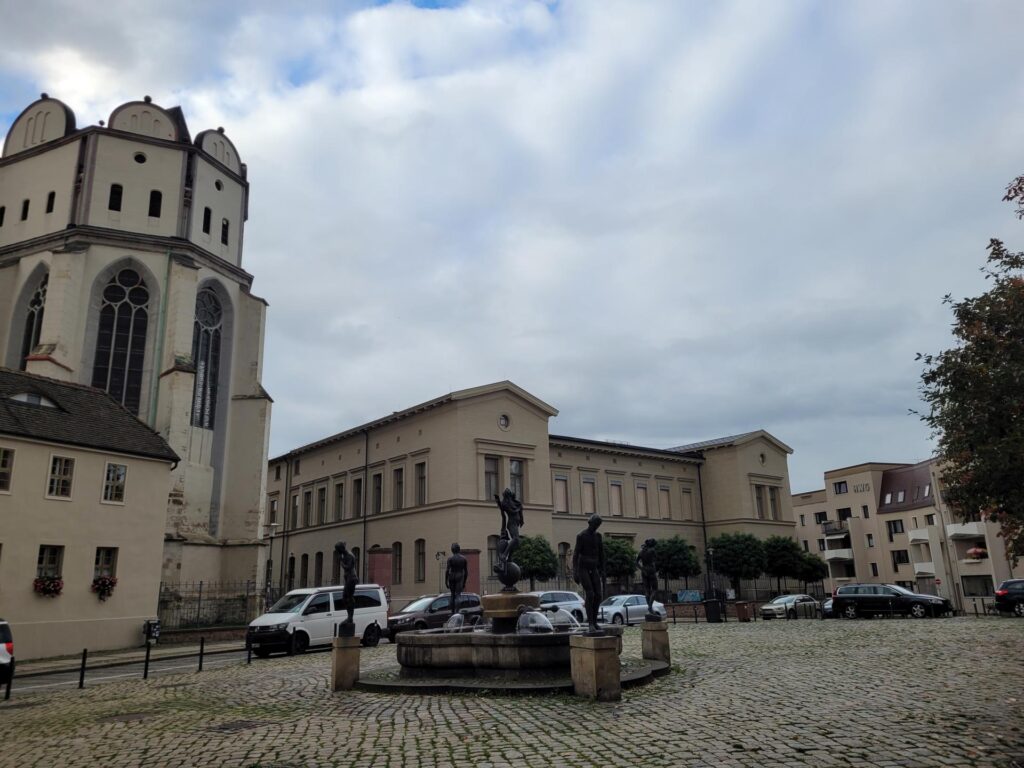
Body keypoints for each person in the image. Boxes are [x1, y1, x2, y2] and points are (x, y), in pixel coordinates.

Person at [572, 514, 605, 632]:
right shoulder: (581, 536)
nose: (596, 526)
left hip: (594, 567)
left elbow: (601, 554)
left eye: (598, 525)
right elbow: (575, 554)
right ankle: (590, 623)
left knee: (598, 595)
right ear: (590, 523)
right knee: (590, 594)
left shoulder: (598, 536)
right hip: (583, 568)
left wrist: (603, 569)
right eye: (595, 524)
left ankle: (595, 622)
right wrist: (575, 572)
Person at [334, 541, 358, 628]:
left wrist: (341, 562)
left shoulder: (349, 555)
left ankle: (350, 618)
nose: (337, 552)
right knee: (345, 597)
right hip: (348, 578)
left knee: (349, 597)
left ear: (341, 549)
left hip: (351, 578)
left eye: (337, 550)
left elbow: (348, 567)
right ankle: (349, 617)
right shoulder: (345, 555)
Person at [637, 537, 659, 617]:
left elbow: (636, 562)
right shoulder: (652, 550)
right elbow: (656, 559)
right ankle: (650, 607)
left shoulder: (641, 552)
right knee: (655, 589)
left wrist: (642, 569)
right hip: (651, 570)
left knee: (647, 590)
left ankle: (650, 608)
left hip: (644, 571)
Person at [445, 542, 468, 615]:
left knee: (452, 595)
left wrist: (446, 581)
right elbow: (466, 572)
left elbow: (447, 570)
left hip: (452, 576)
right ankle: (457, 612)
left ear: (452, 550)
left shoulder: (450, 559)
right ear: (459, 549)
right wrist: (464, 582)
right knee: (458, 595)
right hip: (459, 575)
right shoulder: (463, 559)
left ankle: (452, 612)